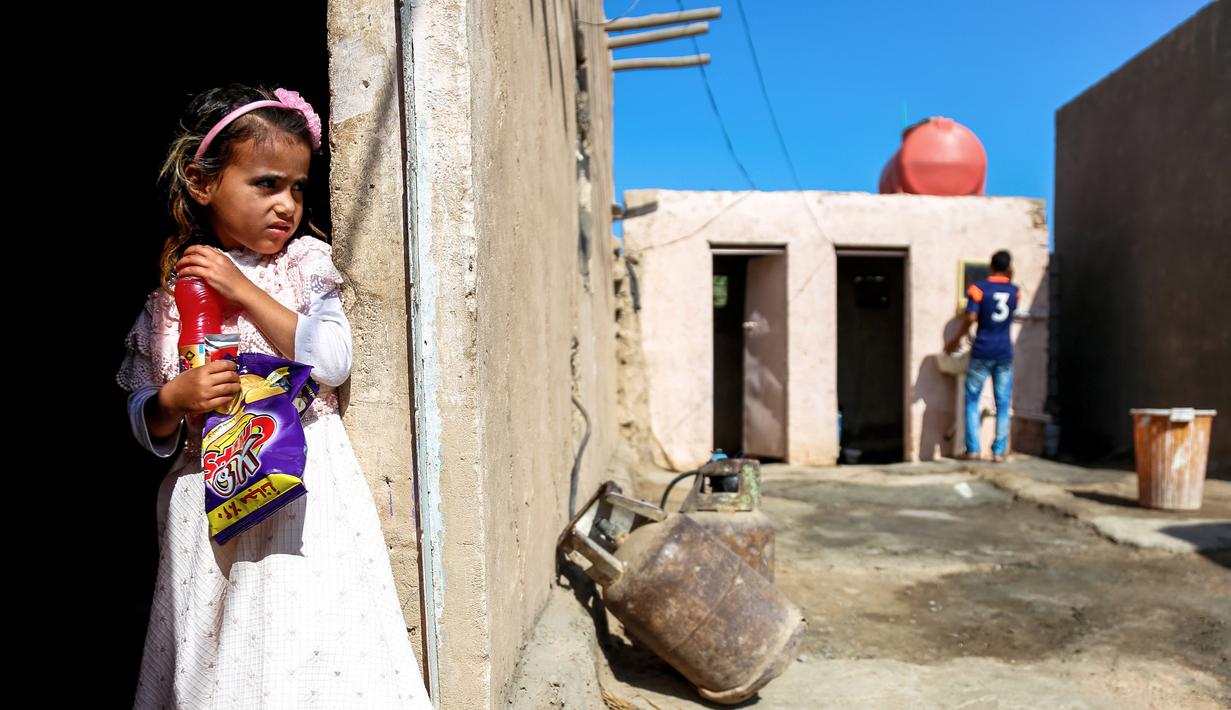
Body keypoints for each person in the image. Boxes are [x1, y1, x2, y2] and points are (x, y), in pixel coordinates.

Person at [117, 84, 431, 708]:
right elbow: (142, 414)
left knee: (306, 635)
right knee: (216, 652)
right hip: (210, 497)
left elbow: (332, 361)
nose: (286, 204)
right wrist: (173, 401)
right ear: (202, 183)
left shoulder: (303, 266)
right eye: (266, 184)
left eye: (297, 187)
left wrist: (244, 292)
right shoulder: (172, 296)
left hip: (302, 489)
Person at [944, 250, 1019, 463]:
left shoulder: (978, 289)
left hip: (982, 351)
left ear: (990, 266)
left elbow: (971, 316)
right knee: (1003, 402)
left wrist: (955, 340)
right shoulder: (1014, 291)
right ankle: (998, 451)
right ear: (1008, 268)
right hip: (1004, 352)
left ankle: (973, 449)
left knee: (971, 399)